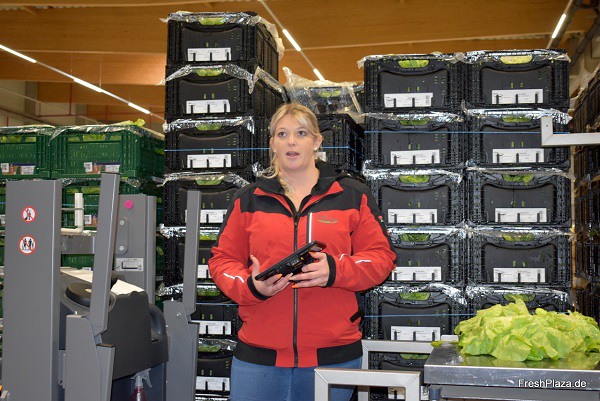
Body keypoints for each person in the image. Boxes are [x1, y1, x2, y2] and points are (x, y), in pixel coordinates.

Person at [208, 102, 396, 401]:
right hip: (259, 357)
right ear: (272, 143)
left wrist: (335, 270)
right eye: (282, 134)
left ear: (317, 141)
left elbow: (381, 258)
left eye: (301, 133)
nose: (291, 142)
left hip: (333, 357)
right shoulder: (248, 199)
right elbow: (222, 261)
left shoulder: (351, 194)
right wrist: (251, 287)